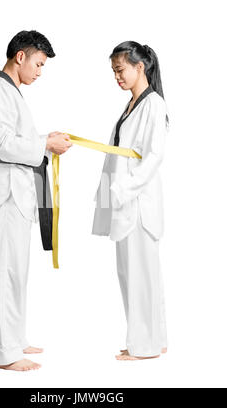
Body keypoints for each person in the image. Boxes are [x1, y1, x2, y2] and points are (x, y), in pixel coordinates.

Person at [0, 30, 72, 371]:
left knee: (17, 271)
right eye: (38, 63)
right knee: (5, 271)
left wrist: (45, 138)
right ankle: (3, 355)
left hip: (18, 191)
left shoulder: (12, 92)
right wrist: (45, 145)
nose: (39, 71)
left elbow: (18, 138)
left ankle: (15, 340)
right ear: (20, 56)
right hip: (6, 191)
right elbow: (1, 143)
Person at [92, 41, 169, 360]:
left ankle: (143, 346)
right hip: (125, 199)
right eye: (113, 71)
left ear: (140, 67)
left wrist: (123, 189)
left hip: (136, 202)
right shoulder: (132, 104)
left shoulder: (153, 104)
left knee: (138, 275)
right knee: (137, 273)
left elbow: (152, 157)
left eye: (120, 70)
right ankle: (154, 339)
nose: (116, 77)